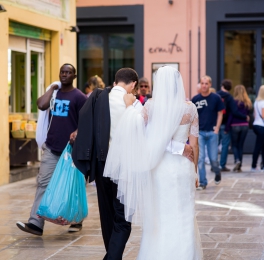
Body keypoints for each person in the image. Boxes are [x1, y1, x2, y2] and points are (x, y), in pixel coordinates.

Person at [72, 68, 194, 260]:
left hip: (101, 164)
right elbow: (149, 136)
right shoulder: (136, 106)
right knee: (122, 218)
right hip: (125, 167)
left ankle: (112, 255)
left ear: (115, 81)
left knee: (107, 216)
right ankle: (112, 257)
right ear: (134, 85)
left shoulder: (98, 100)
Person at [104, 66, 202, 259]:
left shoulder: (151, 106)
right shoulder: (190, 108)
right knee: (183, 212)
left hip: (160, 167)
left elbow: (140, 132)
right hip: (183, 167)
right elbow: (195, 145)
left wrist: (128, 106)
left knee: (160, 214)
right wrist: (195, 171)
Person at [16, 64, 87, 236]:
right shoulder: (54, 93)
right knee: (43, 183)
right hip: (52, 147)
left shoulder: (79, 97)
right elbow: (41, 105)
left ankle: (76, 220)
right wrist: (53, 88)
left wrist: (77, 132)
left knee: (72, 185)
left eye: (68, 72)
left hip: (71, 151)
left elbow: (86, 121)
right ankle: (35, 223)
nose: (65, 75)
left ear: (74, 76)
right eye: (62, 72)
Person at [192, 75, 224, 189]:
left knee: (213, 159)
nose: (204, 85)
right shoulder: (195, 99)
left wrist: (217, 128)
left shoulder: (216, 98)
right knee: (200, 158)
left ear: (210, 85)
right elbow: (192, 115)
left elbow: (220, 113)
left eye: (206, 83)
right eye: (202, 83)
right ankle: (203, 182)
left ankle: (217, 172)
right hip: (199, 132)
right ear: (200, 84)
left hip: (212, 132)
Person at [217, 79, 249, 172]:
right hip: (235, 124)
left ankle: (214, 164)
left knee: (215, 145)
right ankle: (224, 165)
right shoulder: (232, 98)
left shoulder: (215, 95)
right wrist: (245, 117)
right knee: (228, 145)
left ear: (222, 85)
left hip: (216, 124)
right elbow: (233, 112)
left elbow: (233, 113)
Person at [226, 85, 252, 172]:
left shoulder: (233, 101)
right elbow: (248, 115)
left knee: (234, 145)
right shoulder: (247, 102)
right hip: (245, 125)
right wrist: (245, 117)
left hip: (235, 125)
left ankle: (237, 160)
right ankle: (239, 165)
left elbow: (232, 114)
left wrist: (227, 127)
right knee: (240, 145)